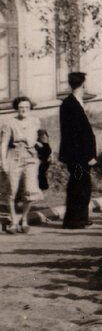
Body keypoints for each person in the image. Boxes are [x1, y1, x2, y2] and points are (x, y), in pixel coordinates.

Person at [2, 96, 43, 233]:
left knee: (30, 190)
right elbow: (3, 144)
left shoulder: (35, 121)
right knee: (11, 191)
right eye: (21, 108)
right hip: (14, 156)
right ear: (16, 108)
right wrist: (3, 162)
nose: (24, 110)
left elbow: (38, 138)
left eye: (26, 107)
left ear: (30, 108)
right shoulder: (9, 123)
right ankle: (13, 221)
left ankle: (24, 219)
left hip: (30, 158)